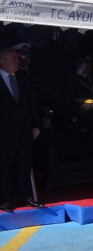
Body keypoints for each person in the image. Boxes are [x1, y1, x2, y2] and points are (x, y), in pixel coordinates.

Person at [0, 46, 42, 211]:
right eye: (14, 59)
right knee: (4, 165)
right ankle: (4, 198)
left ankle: (26, 196)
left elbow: (32, 103)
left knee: (24, 164)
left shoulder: (22, 77)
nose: (18, 62)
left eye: (18, 59)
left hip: (24, 129)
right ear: (2, 60)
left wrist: (36, 124)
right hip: (4, 131)